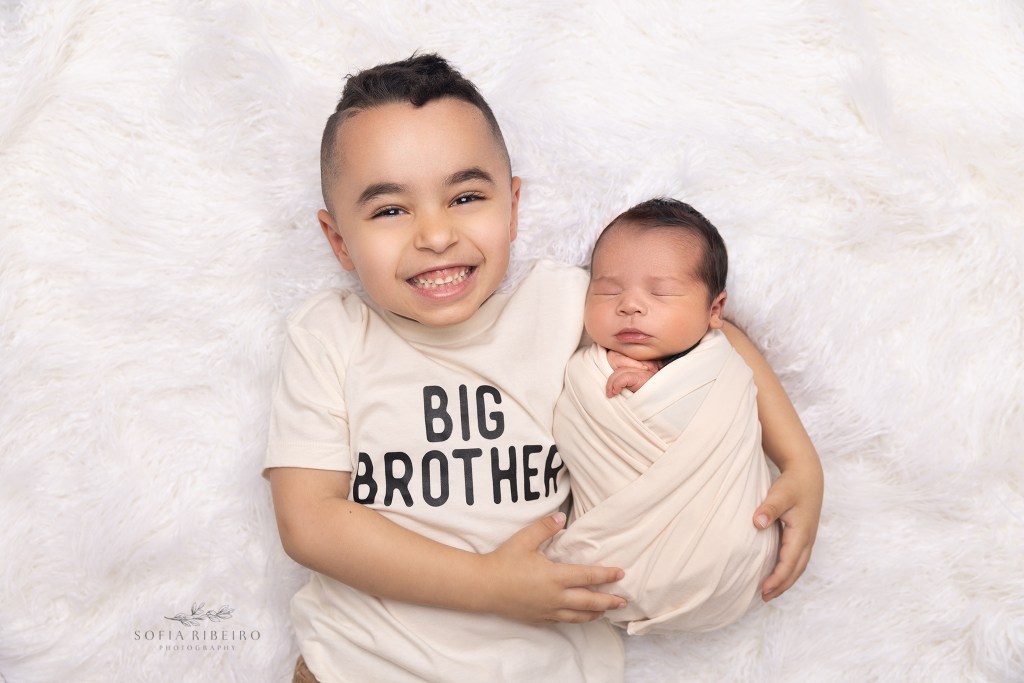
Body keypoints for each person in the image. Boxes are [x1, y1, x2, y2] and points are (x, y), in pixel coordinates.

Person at [265, 53, 823, 683]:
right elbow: (310, 522)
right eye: (390, 210)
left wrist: (799, 459)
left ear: (513, 206)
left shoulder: (564, 306)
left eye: (466, 197)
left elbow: (711, 336)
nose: (436, 234)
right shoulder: (332, 334)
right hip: (363, 663)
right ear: (338, 240)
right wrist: (486, 584)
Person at [546, 198, 782, 635]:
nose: (630, 305)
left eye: (661, 292)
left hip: (729, 560)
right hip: (612, 570)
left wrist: (656, 380)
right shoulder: (580, 367)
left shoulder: (720, 366)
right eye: (608, 290)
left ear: (715, 311)